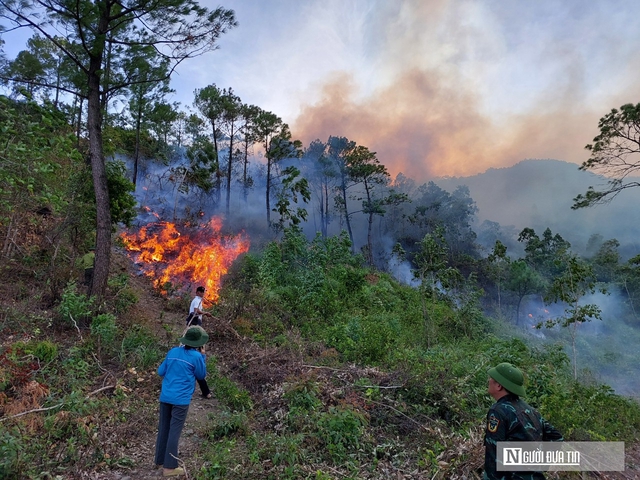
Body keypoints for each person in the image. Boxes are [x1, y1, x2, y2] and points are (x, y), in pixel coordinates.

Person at [483, 362, 564, 480]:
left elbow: (494, 456)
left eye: (491, 378)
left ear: (499, 386)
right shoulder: (530, 411)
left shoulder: (498, 411)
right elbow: (556, 437)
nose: (488, 380)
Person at [155, 327, 208, 477]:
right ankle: (169, 468)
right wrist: (203, 356)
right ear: (199, 343)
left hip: (165, 396)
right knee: (174, 432)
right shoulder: (196, 356)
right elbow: (201, 375)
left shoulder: (172, 352)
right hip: (181, 400)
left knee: (164, 428)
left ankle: (159, 460)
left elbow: (160, 372)